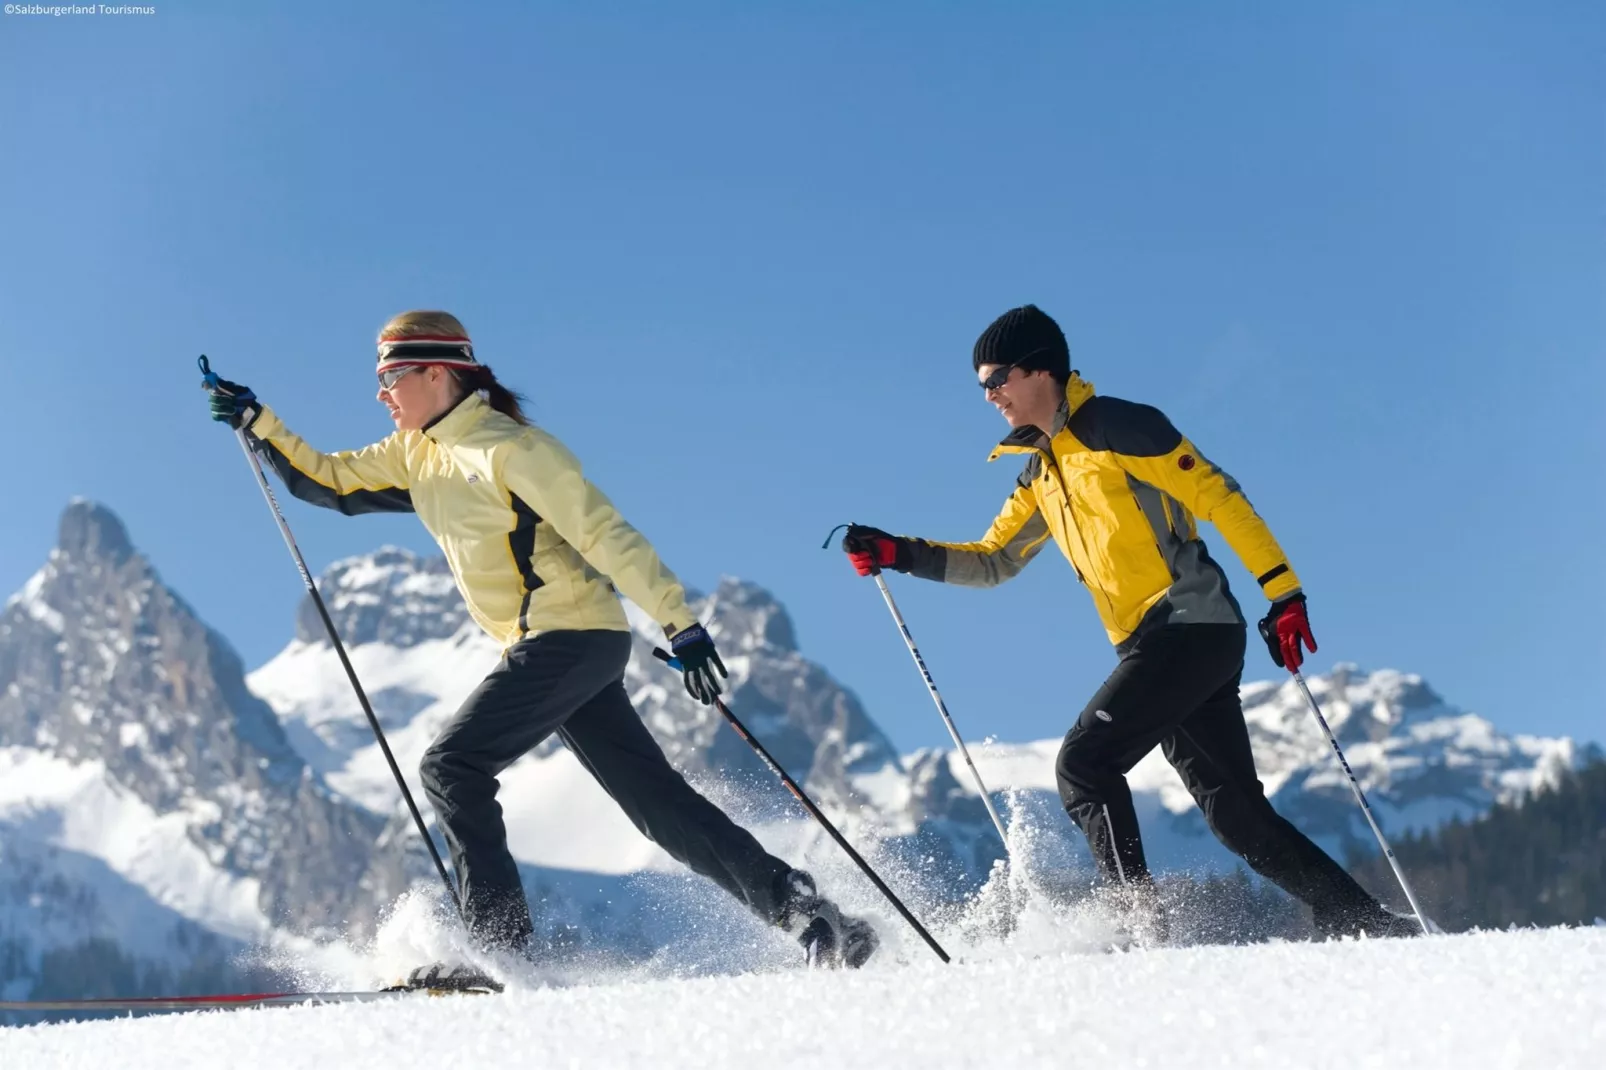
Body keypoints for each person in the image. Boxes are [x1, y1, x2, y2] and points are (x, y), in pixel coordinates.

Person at [204, 310, 877, 978]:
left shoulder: (512, 450)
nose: (380, 394)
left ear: (436, 373)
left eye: (390, 377)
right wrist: (258, 422)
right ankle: (815, 919)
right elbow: (327, 480)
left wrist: (680, 622)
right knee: (660, 809)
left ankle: (497, 955)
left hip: (572, 634)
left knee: (452, 765)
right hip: (554, 647)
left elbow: (605, 533)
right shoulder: (416, 454)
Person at [839, 304, 1414, 942]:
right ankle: (1362, 919)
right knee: (1237, 818)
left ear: (1040, 370)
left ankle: (1138, 928)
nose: (989, 394)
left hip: (1190, 624)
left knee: (1085, 763)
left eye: (997, 377)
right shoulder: (1040, 474)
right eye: (982, 384)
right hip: (1152, 645)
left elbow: (1219, 496)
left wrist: (1283, 593)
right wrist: (899, 553)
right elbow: (995, 560)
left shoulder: (1119, 426)